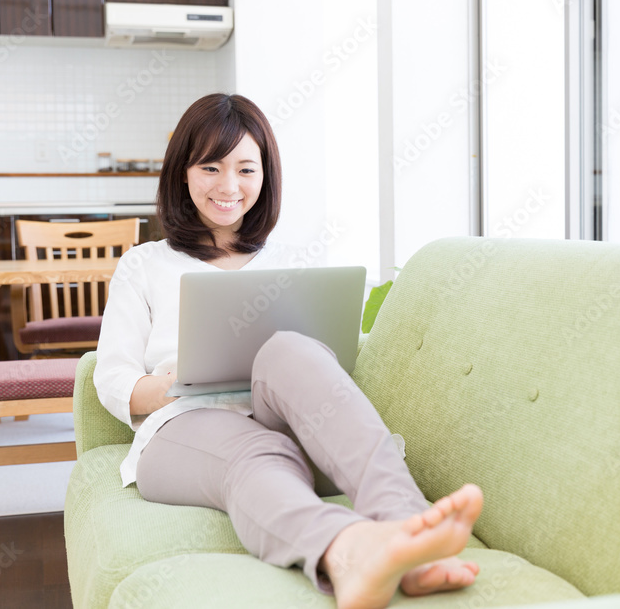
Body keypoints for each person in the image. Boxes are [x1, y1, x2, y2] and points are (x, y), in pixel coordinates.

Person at [94, 93, 484, 608]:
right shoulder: (145, 265)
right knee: (256, 452)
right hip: (183, 428)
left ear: (266, 176)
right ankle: (347, 553)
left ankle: (409, 534)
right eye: (210, 166)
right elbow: (112, 377)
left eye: (245, 169)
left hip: (284, 415)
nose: (228, 186)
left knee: (290, 350)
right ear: (182, 174)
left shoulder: (291, 262)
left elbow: (323, 367)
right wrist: (173, 383)